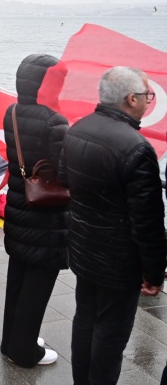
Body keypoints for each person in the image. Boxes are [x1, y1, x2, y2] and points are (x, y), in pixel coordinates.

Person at [60, 66, 166, 385]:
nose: (149, 101)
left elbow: (66, 180)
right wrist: (154, 271)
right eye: (147, 95)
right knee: (111, 332)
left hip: (83, 248)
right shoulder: (136, 148)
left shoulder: (78, 129)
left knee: (85, 318)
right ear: (131, 99)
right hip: (119, 262)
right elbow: (147, 221)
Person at [0, 54, 69, 367]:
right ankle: (25, 350)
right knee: (38, 283)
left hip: (18, 204)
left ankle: (11, 339)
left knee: (18, 276)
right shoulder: (54, 121)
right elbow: (66, 171)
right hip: (46, 216)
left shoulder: (12, 112)